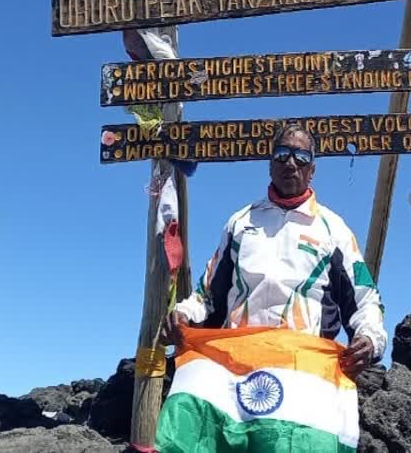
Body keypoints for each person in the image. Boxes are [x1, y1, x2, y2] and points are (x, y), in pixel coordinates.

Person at [165, 124, 386, 374]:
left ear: (312, 170)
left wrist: (369, 338)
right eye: (282, 154)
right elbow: (207, 296)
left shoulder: (335, 231)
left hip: (305, 370)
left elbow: (365, 299)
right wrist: (184, 314)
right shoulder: (240, 222)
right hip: (238, 369)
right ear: (270, 164)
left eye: (301, 157)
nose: (290, 163)